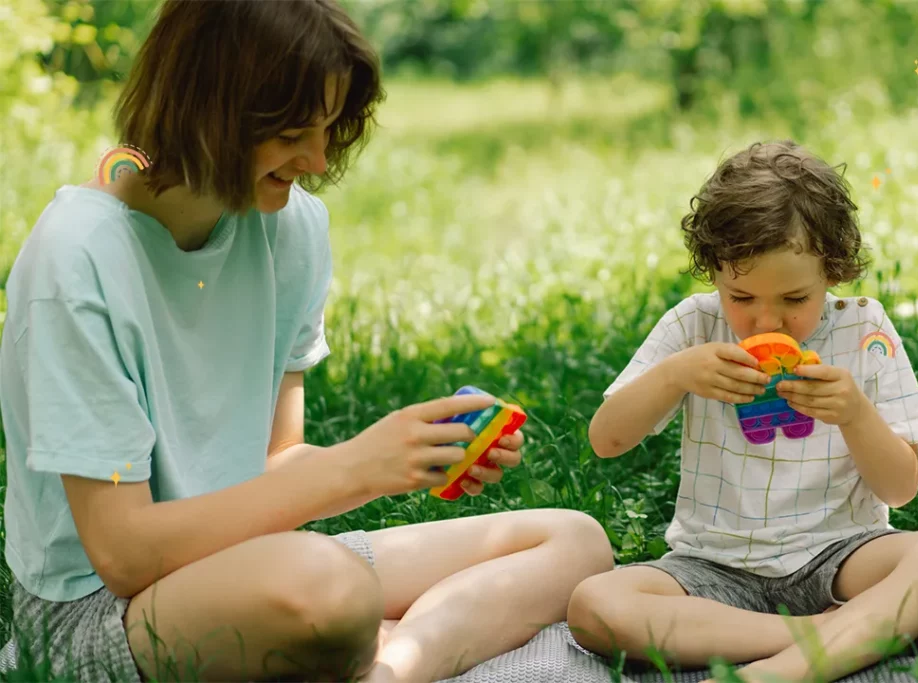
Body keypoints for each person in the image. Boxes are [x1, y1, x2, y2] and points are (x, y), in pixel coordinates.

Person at [0, 2, 613, 682]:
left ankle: (390, 667)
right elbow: (123, 552)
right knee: (330, 589)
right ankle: (371, 642)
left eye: (327, 130)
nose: (318, 161)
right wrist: (356, 468)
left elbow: (278, 463)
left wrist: (412, 452)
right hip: (100, 614)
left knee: (572, 541)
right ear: (208, 111)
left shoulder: (290, 229)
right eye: (293, 133)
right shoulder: (77, 259)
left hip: (252, 563)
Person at [566, 140, 918, 682]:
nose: (767, 322)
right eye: (741, 298)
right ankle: (840, 638)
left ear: (833, 272)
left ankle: (780, 670)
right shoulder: (693, 326)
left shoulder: (864, 330)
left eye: (793, 299)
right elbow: (607, 440)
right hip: (712, 565)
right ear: (713, 272)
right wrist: (675, 375)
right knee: (595, 605)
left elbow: (900, 490)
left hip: (841, 554)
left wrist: (855, 414)